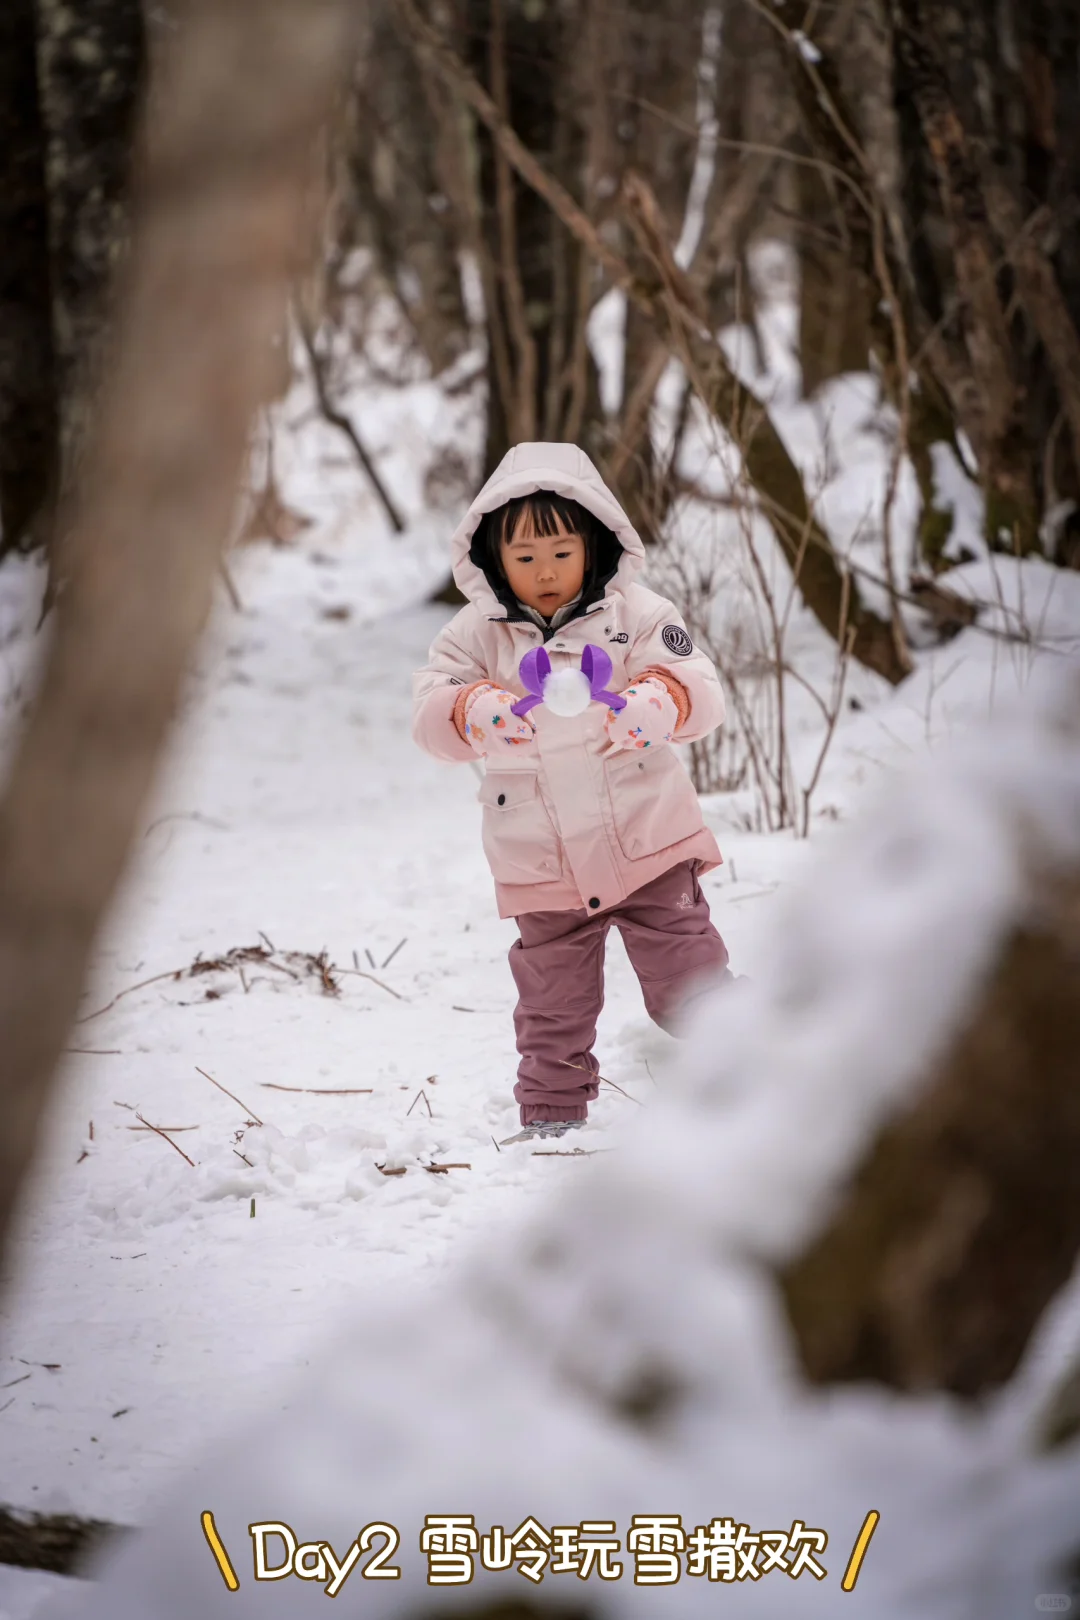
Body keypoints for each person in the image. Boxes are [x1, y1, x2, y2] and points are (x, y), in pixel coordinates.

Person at [412, 442, 731, 1141]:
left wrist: (662, 700)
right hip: (543, 864)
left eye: (561, 552)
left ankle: (751, 1072)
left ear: (594, 543)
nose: (546, 572)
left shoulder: (636, 614)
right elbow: (429, 714)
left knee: (689, 981)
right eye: (524, 559)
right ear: (494, 560)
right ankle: (552, 1118)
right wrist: (470, 710)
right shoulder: (475, 635)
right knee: (552, 1004)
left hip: (648, 845)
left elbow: (701, 686)